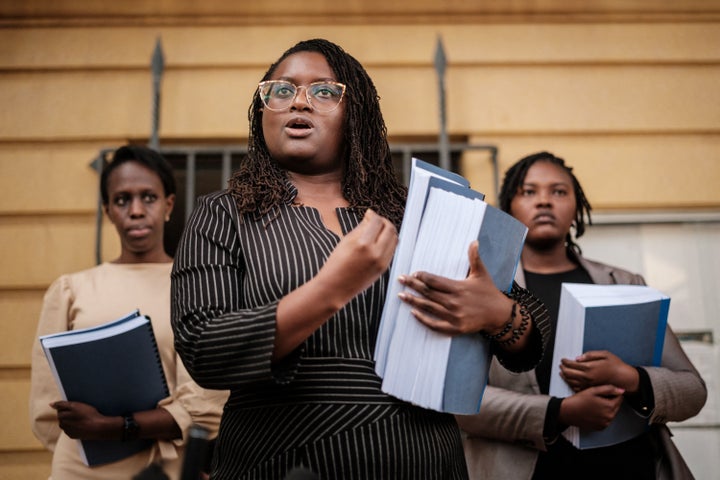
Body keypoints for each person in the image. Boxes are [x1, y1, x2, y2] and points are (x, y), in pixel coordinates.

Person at [170, 38, 551, 480]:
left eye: (324, 91)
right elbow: (203, 348)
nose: (299, 102)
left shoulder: (415, 213)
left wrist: (497, 313)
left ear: (357, 116)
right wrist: (331, 288)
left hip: (423, 458)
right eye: (281, 90)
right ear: (262, 113)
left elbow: (531, 344)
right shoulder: (224, 213)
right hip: (280, 457)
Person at [456, 151, 707, 480]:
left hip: (631, 466)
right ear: (509, 207)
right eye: (529, 191)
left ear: (576, 207)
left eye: (559, 191)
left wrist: (630, 378)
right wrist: (558, 413)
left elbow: (693, 391)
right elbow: (459, 402)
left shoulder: (626, 284)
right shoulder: (485, 289)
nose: (544, 201)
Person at [29, 145, 227, 480]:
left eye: (148, 197)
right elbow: (46, 410)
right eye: (122, 200)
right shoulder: (70, 290)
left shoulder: (197, 287)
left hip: (167, 468)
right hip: (81, 468)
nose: (136, 210)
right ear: (107, 211)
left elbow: (207, 406)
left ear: (168, 205)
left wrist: (116, 427)